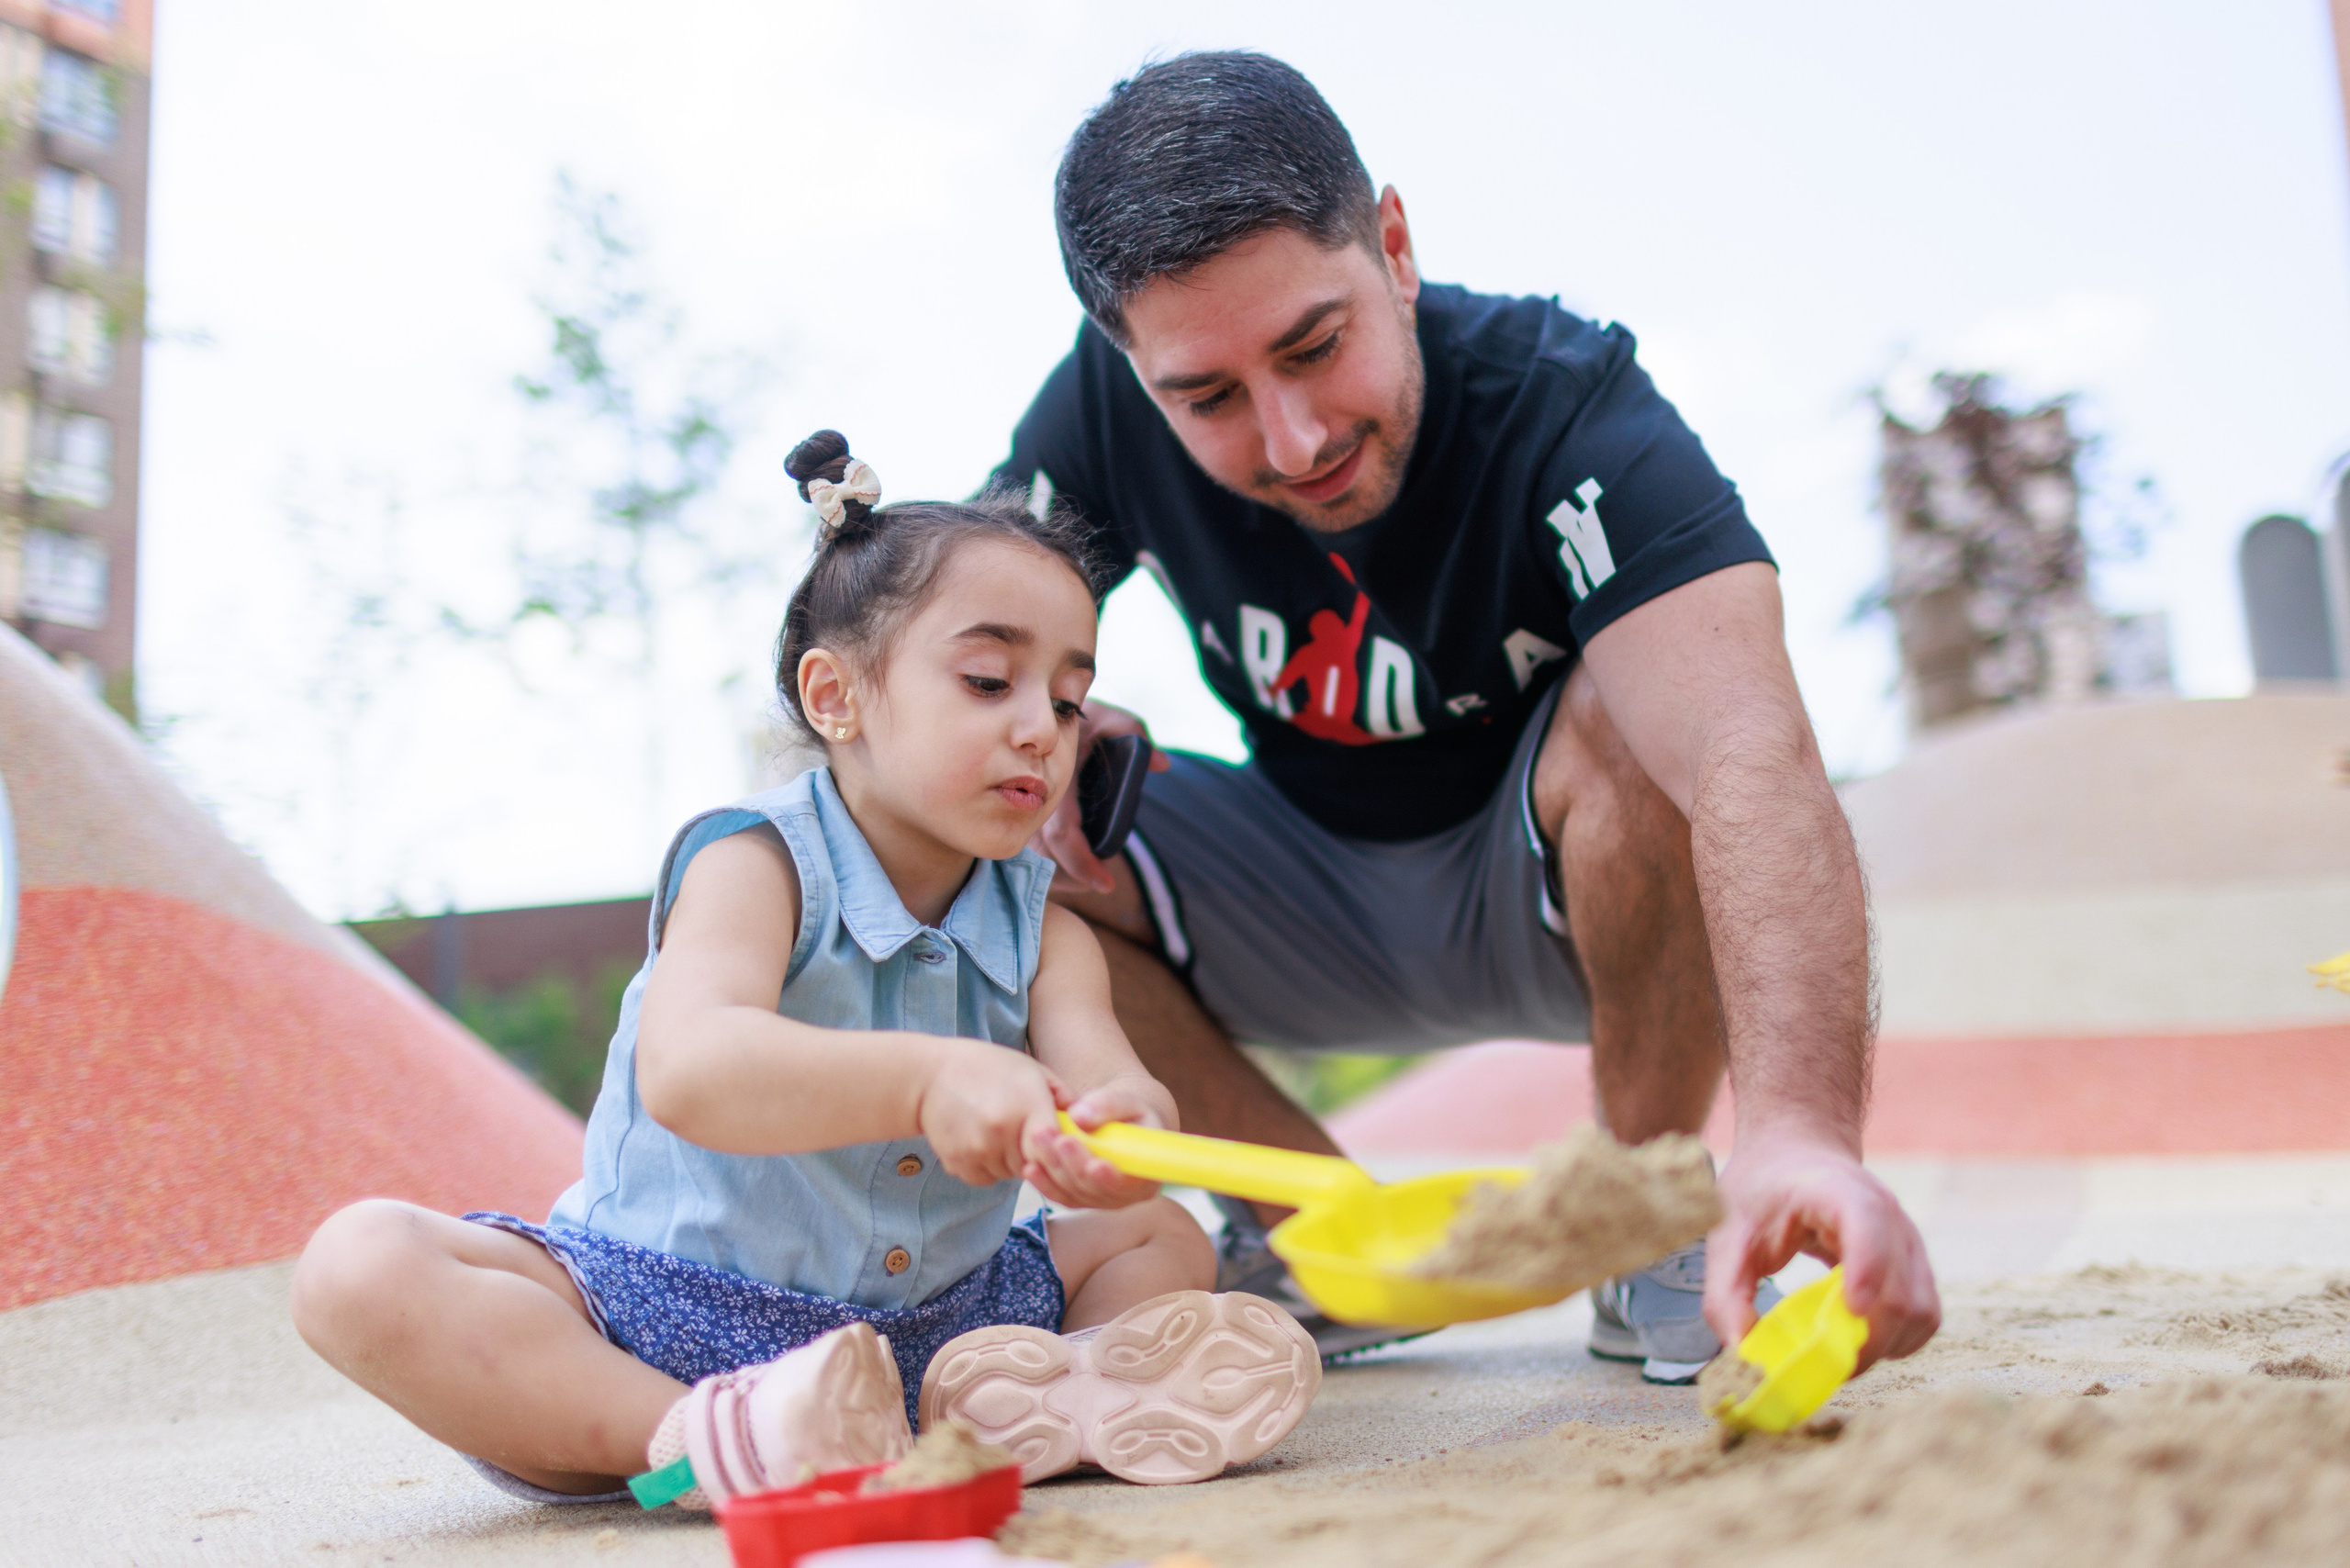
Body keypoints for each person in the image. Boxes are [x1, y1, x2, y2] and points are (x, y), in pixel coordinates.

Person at [999, 52, 1943, 1379]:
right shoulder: (1098, 413)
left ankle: (1645, 1219)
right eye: (1205, 397)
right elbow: (904, 664)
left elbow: (1748, 753)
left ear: (1393, 246)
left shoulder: (1568, 403)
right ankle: (1321, 1237)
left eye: (1315, 347)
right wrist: (1038, 723)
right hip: (1296, 900)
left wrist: (1801, 1134)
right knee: (975, 809)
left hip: (1570, 900)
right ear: (1128, 361)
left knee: (1649, 722)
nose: (1291, 438)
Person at [290, 431, 1321, 1506]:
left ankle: (1052, 1397)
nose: (1041, 731)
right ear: (836, 697)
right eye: (987, 679)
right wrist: (926, 1080)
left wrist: (1123, 1139)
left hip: (950, 1325)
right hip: (662, 1312)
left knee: (1158, 1234)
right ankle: (702, 1439)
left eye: (1067, 700)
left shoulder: (1045, 926)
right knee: (359, 1267)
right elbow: (690, 1070)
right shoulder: (755, 863)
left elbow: (1122, 1090)